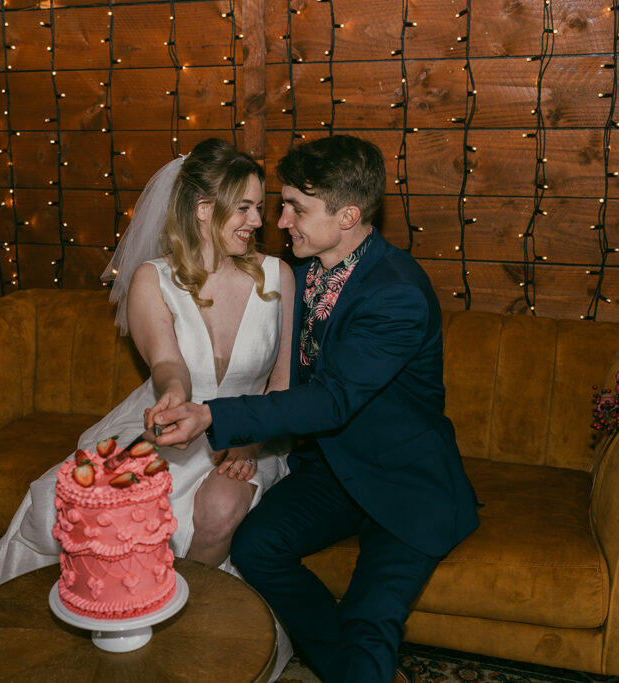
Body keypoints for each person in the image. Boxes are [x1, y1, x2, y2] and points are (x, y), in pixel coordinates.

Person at [0, 138, 296, 682]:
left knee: (218, 512)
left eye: (259, 207)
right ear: (202, 208)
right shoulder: (154, 278)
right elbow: (168, 364)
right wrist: (173, 397)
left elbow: (284, 382)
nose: (256, 221)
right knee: (62, 502)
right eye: (244, 206)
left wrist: (247, 441)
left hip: (252, 430)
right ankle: (40, 630)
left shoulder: (277, 277)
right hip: (167, 420)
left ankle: (186, 632)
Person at [151, 135, 480, 682]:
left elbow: (331, 401)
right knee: (257, 548)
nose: (279, 222)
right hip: (331, 471)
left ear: (348, 215)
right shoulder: (301, 273)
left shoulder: (395, 291)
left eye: (296, 209)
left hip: (401, 483)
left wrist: (215, 416)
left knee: (369, 619)